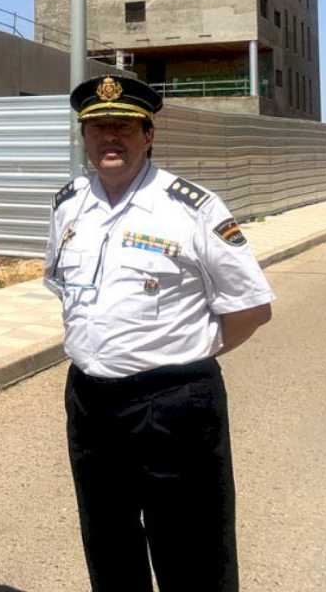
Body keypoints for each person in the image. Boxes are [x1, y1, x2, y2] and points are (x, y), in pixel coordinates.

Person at [44, 75, 275, 591]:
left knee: (193, 551)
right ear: (83, 136)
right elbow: (64, 289)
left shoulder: (191, 207)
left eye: (124, 127)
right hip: (90, 402)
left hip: (174, 404)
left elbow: (251, 307)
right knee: (108, 545)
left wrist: (186, 355)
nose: (111, 138)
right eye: (99, 127)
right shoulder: (67, 205)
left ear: (148, 135)